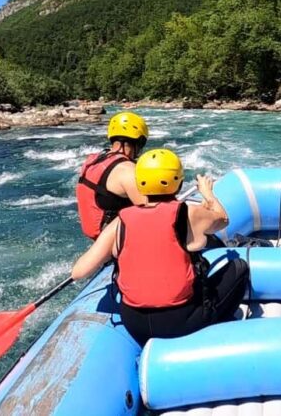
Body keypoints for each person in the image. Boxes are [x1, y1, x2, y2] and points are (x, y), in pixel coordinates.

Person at [70, 148, 249, 345]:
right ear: (178, 182)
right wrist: (208, 194)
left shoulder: (121, 221)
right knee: (239, 267)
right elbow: (223, 219)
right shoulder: (188, 213)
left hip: (134, 323)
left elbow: (79, 272)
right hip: (181, 321)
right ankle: (212, 334)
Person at [76, 112, 149, 239]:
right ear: (140, 142)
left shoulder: (93, 160)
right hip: (116, 241)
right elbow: (153, 214)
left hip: (99, 239)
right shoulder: (127, 170)